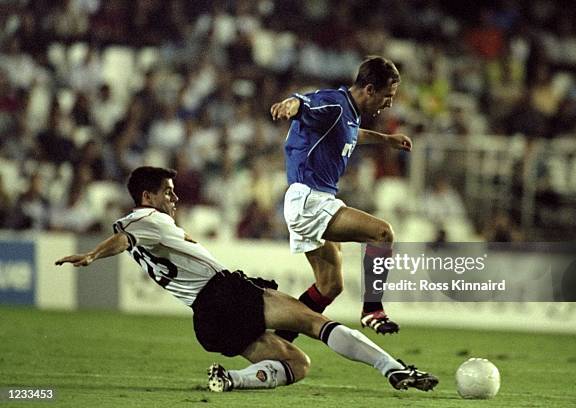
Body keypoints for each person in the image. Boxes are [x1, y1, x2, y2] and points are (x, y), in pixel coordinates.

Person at [55, 166, 438, 393]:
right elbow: (124, 235)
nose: (174, 198)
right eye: (167, 193)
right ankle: (394, 368)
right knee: (313, 322)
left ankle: (232, 380)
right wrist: (92, 254)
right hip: (224, 293)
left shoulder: (156, 226)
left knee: (298, 364)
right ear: (147, 196)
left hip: (206, 319)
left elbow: (132, 239)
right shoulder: (145, 218)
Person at [270, 56, 410, 339]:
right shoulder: (334, 103)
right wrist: (290, 105)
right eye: (388, 96)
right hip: (310, 199)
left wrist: (386, 140)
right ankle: (373, 309)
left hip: (310, 200)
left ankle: (278, 340)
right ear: (370, 89)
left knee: (329, 286)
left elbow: (351, 134)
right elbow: (305, 102)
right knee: (382, 234)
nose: (389, 103)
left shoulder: (347, 112)